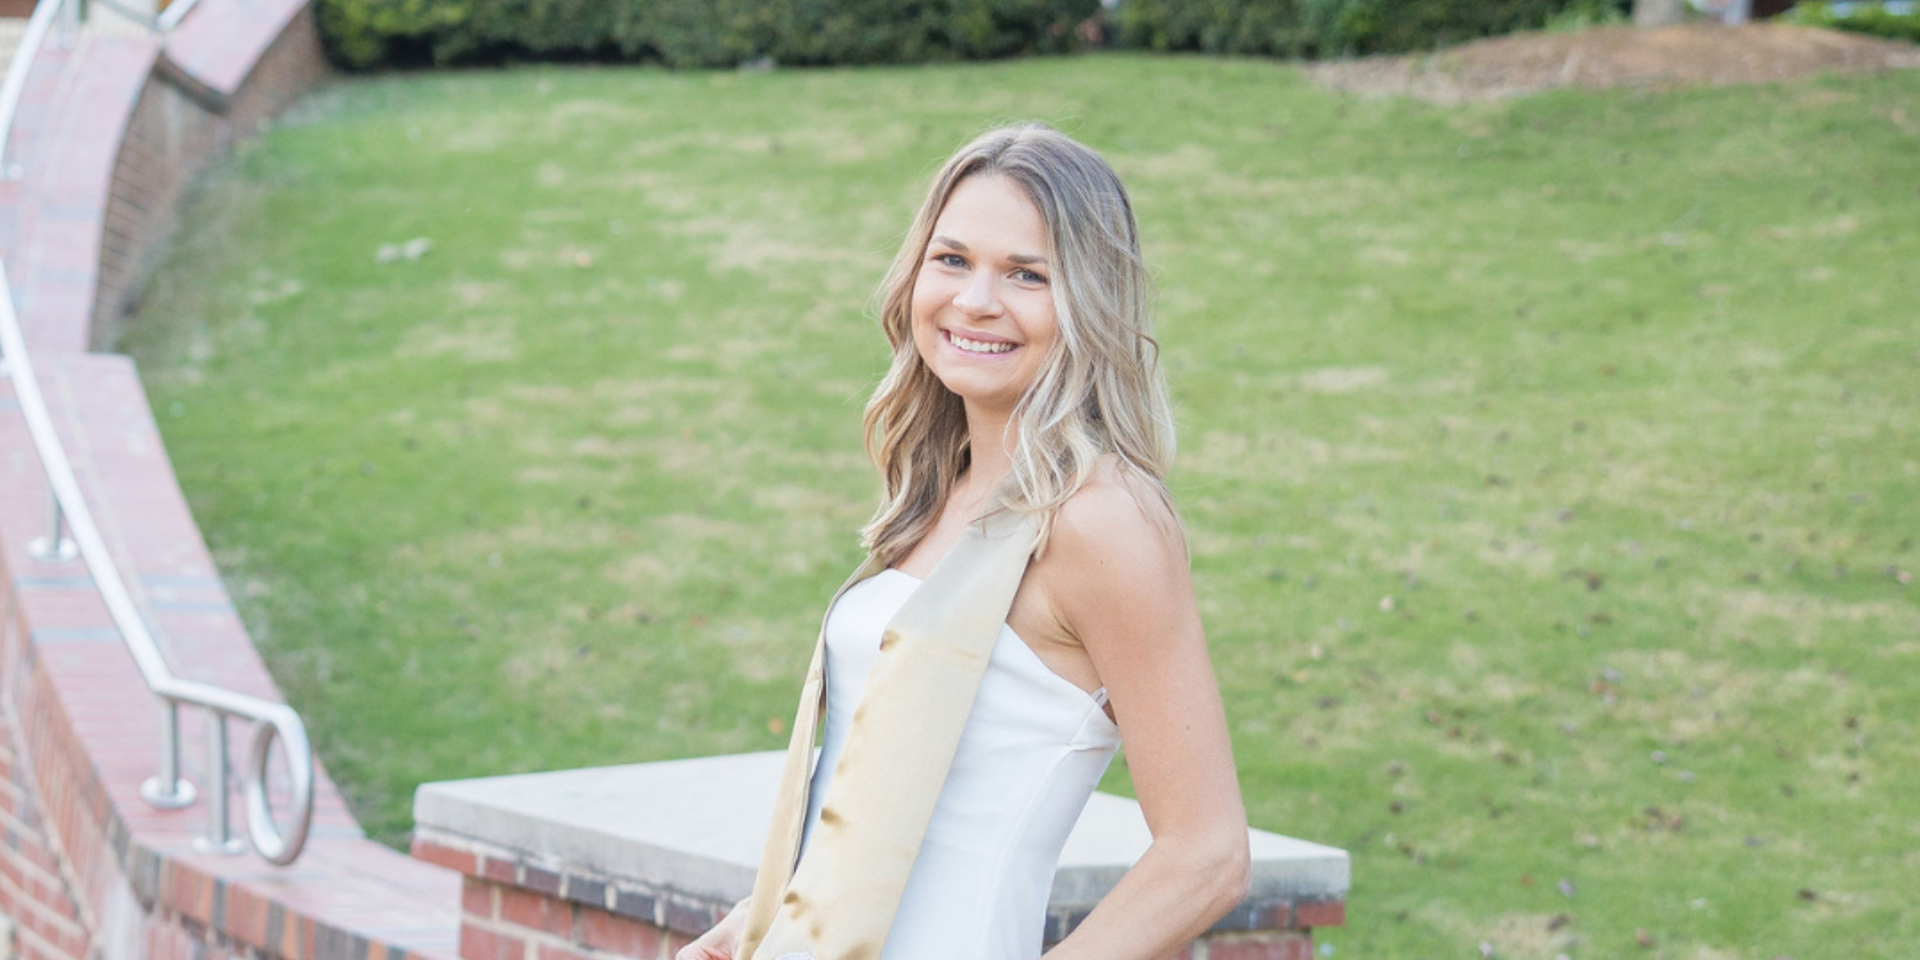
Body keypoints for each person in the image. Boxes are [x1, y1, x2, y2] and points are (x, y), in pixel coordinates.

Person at [679, 123, 1249, 960]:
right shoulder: (941, 490)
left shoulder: (1101, 521)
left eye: (1027, 275)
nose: (976, 300)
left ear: (1090, 300)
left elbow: (1207, 856)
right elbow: (880, 802)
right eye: (952, 260)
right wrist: (763, 921)